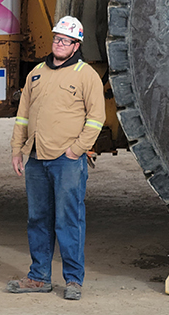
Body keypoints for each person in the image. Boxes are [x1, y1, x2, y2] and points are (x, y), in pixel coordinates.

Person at [6, 15, 106, 300]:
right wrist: (17, 149)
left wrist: (76, 150)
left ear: (76, 45)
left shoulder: (86, 75)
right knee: (38, 219)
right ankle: (39, 277)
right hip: (36, 157)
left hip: (67, 161)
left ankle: (73, 280)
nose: (60, 44)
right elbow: (23, 116)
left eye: (66, 40)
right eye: (57, 38)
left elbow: (96, 118)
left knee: (68, 220)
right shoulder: (36, 73)